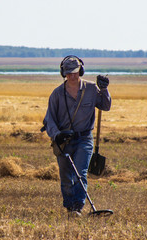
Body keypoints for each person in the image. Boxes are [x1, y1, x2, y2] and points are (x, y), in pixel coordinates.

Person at [42, 55, 111, 217]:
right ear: (63, 73)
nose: (72, 76)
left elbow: (105, 106)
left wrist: (105, 90)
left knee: (81, 173)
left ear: (81, 70)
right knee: (66, 176)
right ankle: (70, 207)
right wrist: (57, 135)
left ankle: (78, 208)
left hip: (84, 139)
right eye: (68, 73)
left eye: (75, 72)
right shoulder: (57, 94)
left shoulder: (92, 88)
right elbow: (49, 119)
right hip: (63, 141)